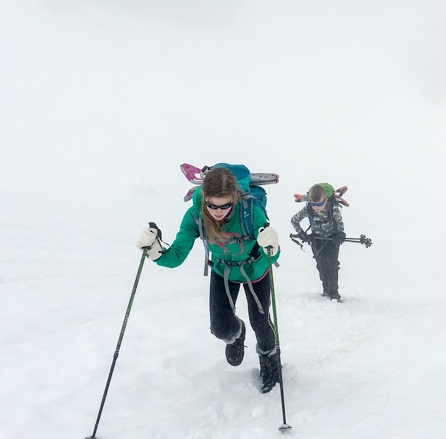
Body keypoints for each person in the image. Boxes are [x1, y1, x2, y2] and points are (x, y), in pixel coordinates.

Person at [136, 165, 282, 393]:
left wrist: (272, 246)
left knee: (261, 322)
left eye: (225, 205)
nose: (218, 211)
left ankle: (269, 358)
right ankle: (236, 333)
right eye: (212, 205)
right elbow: (175, 257)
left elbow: (271, 254)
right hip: (223, 270)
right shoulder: (195, 215)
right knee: (219, 328)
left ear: (234, 198)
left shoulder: (251, 211)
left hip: (256, 269)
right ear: (204, 197)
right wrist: (154, 251)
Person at [291, 183, 346, 301]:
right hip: (316, 240)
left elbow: (339, 222)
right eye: (313, 204)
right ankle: (326, 289)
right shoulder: (308, 209)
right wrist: (301, 233)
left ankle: (334, 292)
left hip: (332, 240)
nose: (316, 207)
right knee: (321, 265)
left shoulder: (333, 208)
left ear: (326, 200)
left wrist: (340, 234)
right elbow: (294, 220)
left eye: (319, 204)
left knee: (332, 265)